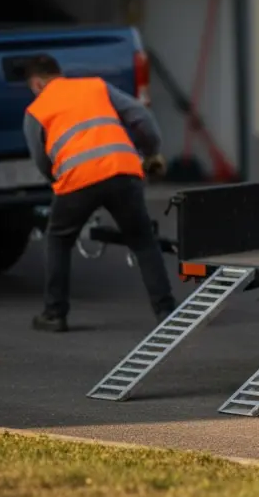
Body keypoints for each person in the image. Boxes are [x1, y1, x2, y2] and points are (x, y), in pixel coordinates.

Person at [21, 54, 175, 332]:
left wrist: (58, 180)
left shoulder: (35, 110)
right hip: (123, 169)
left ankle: (55, 313)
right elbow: (141, 117)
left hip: (78, 178)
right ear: (59, 73)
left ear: (37, 83)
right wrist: (151, 152)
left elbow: (42, 160)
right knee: (143, 241)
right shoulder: (96, 87)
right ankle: (166, 311)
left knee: (58, 239)